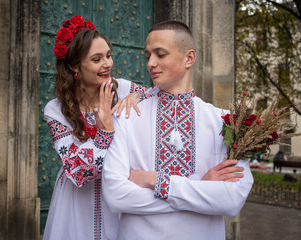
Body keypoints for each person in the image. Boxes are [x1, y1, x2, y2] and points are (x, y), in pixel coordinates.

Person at [102, 20, 254, 239]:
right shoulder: (126, 116)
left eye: (160, 54)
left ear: (189, 58)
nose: (150, 63)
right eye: (147, 56)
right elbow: (115, 196)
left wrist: (155, 180)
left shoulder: (226, 122)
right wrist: (199, 187)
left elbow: (232, 200)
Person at [42, 16, 149, 240]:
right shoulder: (56, 110)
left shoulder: (124, 89)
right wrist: (105, 132)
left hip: (119, 194)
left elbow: (159, 93)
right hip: (77, 201)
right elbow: (78, 172)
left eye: (109, 55)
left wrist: (139, 95)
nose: (108, 64)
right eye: (97, 59)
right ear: (74, 65)